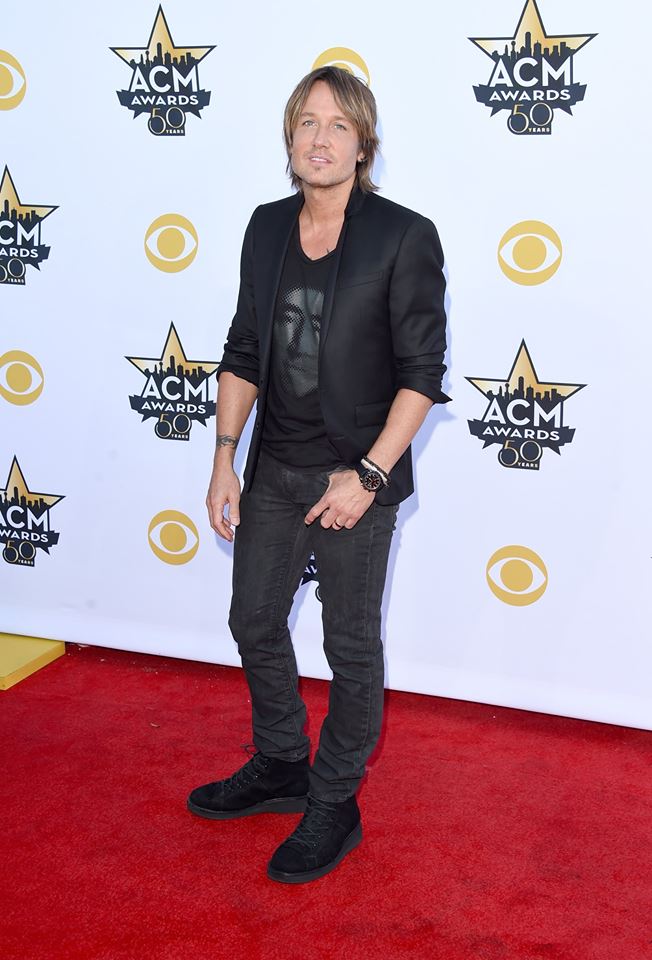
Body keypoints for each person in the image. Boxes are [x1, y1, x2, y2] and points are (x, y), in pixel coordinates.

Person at [187, 65, 449, 884]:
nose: (320, 138)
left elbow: (422, 374)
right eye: (307, 121)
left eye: (339, 125)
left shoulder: (403, 235)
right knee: (253, 621)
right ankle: (280, 763)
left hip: (355, 478)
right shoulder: (266, 226)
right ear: (289, 137)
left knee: (350, 647)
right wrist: (225, 457)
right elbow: (242, 349)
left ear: (363, 144)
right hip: (274, 467)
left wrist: (366, 475)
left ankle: (334, 800)